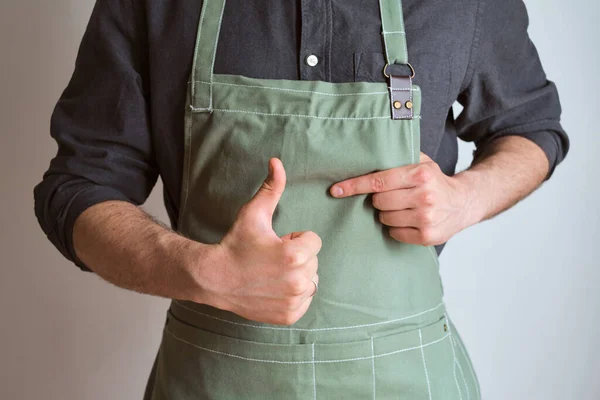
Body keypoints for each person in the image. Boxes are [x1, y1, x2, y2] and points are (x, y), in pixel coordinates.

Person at [34, 0, 569, 399]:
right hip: (215, 377)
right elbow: (78, 188)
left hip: (407, 377)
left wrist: (466, 197)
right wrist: (202, 270)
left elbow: (530, 126)